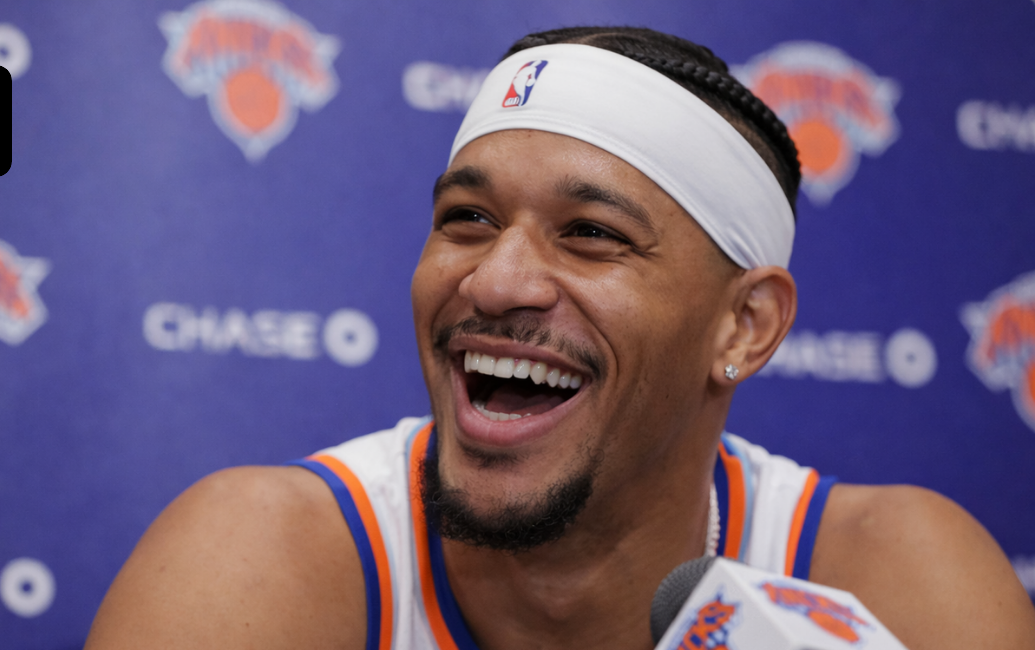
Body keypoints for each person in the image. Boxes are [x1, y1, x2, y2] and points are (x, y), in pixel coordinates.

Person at [84, 27, 1035, 650]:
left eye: (590, 234)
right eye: (467, 219)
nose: (495, 281)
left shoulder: (890, 584)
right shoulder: (259, 566)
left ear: (744, 325)